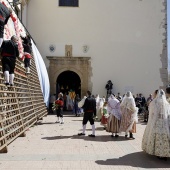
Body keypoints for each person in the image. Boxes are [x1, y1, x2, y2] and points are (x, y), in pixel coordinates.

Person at [142, 89, 170, 160]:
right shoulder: (166, 103)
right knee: (164, 137)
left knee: (156, 136)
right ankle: (165, 153)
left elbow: (151, 113)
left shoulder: (154, 102)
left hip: (156, 122)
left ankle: (157, 152)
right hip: (164, 123)